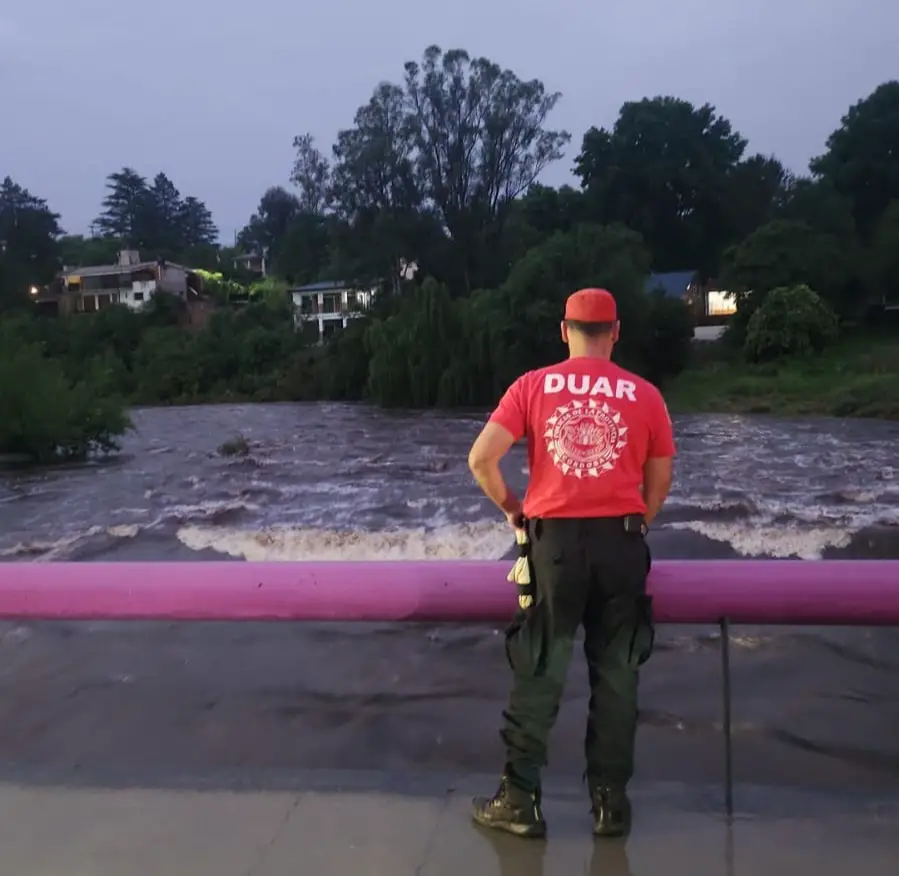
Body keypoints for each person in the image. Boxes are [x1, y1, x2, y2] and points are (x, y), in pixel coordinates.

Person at [466, 287, 675, 839]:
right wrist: (634, 525)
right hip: (621, 546)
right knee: (617, 676)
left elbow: (481, 459)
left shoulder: (533, 386)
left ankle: (520, 800)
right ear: (616, 332)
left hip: (553, 547)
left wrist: (514, 510)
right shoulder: (646, 395)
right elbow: (658, 484)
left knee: (539, 669)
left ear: (564, 331)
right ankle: (610, 805)